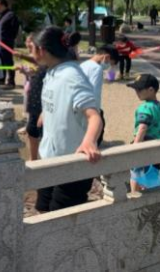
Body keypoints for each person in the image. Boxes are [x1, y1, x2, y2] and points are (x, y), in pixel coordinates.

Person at [32, 27, 103, 212]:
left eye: (31, 48)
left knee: (60, 219)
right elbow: (59, 98)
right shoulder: (51, 71)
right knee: (42, 210)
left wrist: (89, 142)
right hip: (49, 159)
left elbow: (94, 116)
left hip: (71, 164)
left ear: (42, 50)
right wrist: (46, 112)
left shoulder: (72, 76)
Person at [127, 74, 160, 193]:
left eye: (139, 89)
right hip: (157, 152)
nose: (136, 92)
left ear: (151, 90)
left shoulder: (145, 108)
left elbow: (142, 127)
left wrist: (135, 147)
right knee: (151, 180)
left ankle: (134, 196)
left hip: (144, 148)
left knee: (135, 174)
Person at [80, 45, 120, 145]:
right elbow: (94, 94)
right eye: (110, 63)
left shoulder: (84, 64)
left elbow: (110, 79)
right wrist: (95, 114)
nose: (108, 66)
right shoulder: (96, 69)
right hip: (90, 108)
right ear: (106, 57)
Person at [18, 34, 46, 161]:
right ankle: (33, 158)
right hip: (35, 105)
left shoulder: (48, 66)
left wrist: (45, 111)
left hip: (40, 107)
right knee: (32, 130)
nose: (29, 45)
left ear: (41, 50)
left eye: (32, 45)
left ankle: (36, 159)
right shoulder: (43, 65)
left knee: (38, 131)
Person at [0, 0, 20, 88]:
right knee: (1, 61)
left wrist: (9, 39)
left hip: (7, 42)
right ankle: (2, 79)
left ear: (3, 5)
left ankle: (11, 82)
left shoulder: (11, 15)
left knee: (8, 62)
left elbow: (15, 29)